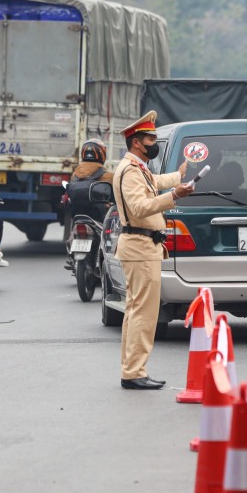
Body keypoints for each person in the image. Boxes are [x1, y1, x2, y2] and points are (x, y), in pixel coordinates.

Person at [112, 110, 194, 391]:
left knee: (136, 312)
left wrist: (177, 177)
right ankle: (134, 372)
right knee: (143, 315)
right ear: (137, 143)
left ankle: (131, 369)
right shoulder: (131, 171)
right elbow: (139, 207)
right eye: (150, 138)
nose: (154, 143)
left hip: (141, 247)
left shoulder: (135, 168)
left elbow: (153, 184)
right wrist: (174, 197)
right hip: (140, 248)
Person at [64, 139, 114, 270]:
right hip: (98, 215)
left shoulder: (75, 174)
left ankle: (71, 250)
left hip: (77, 214)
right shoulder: (108, 176)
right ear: (102, 155)